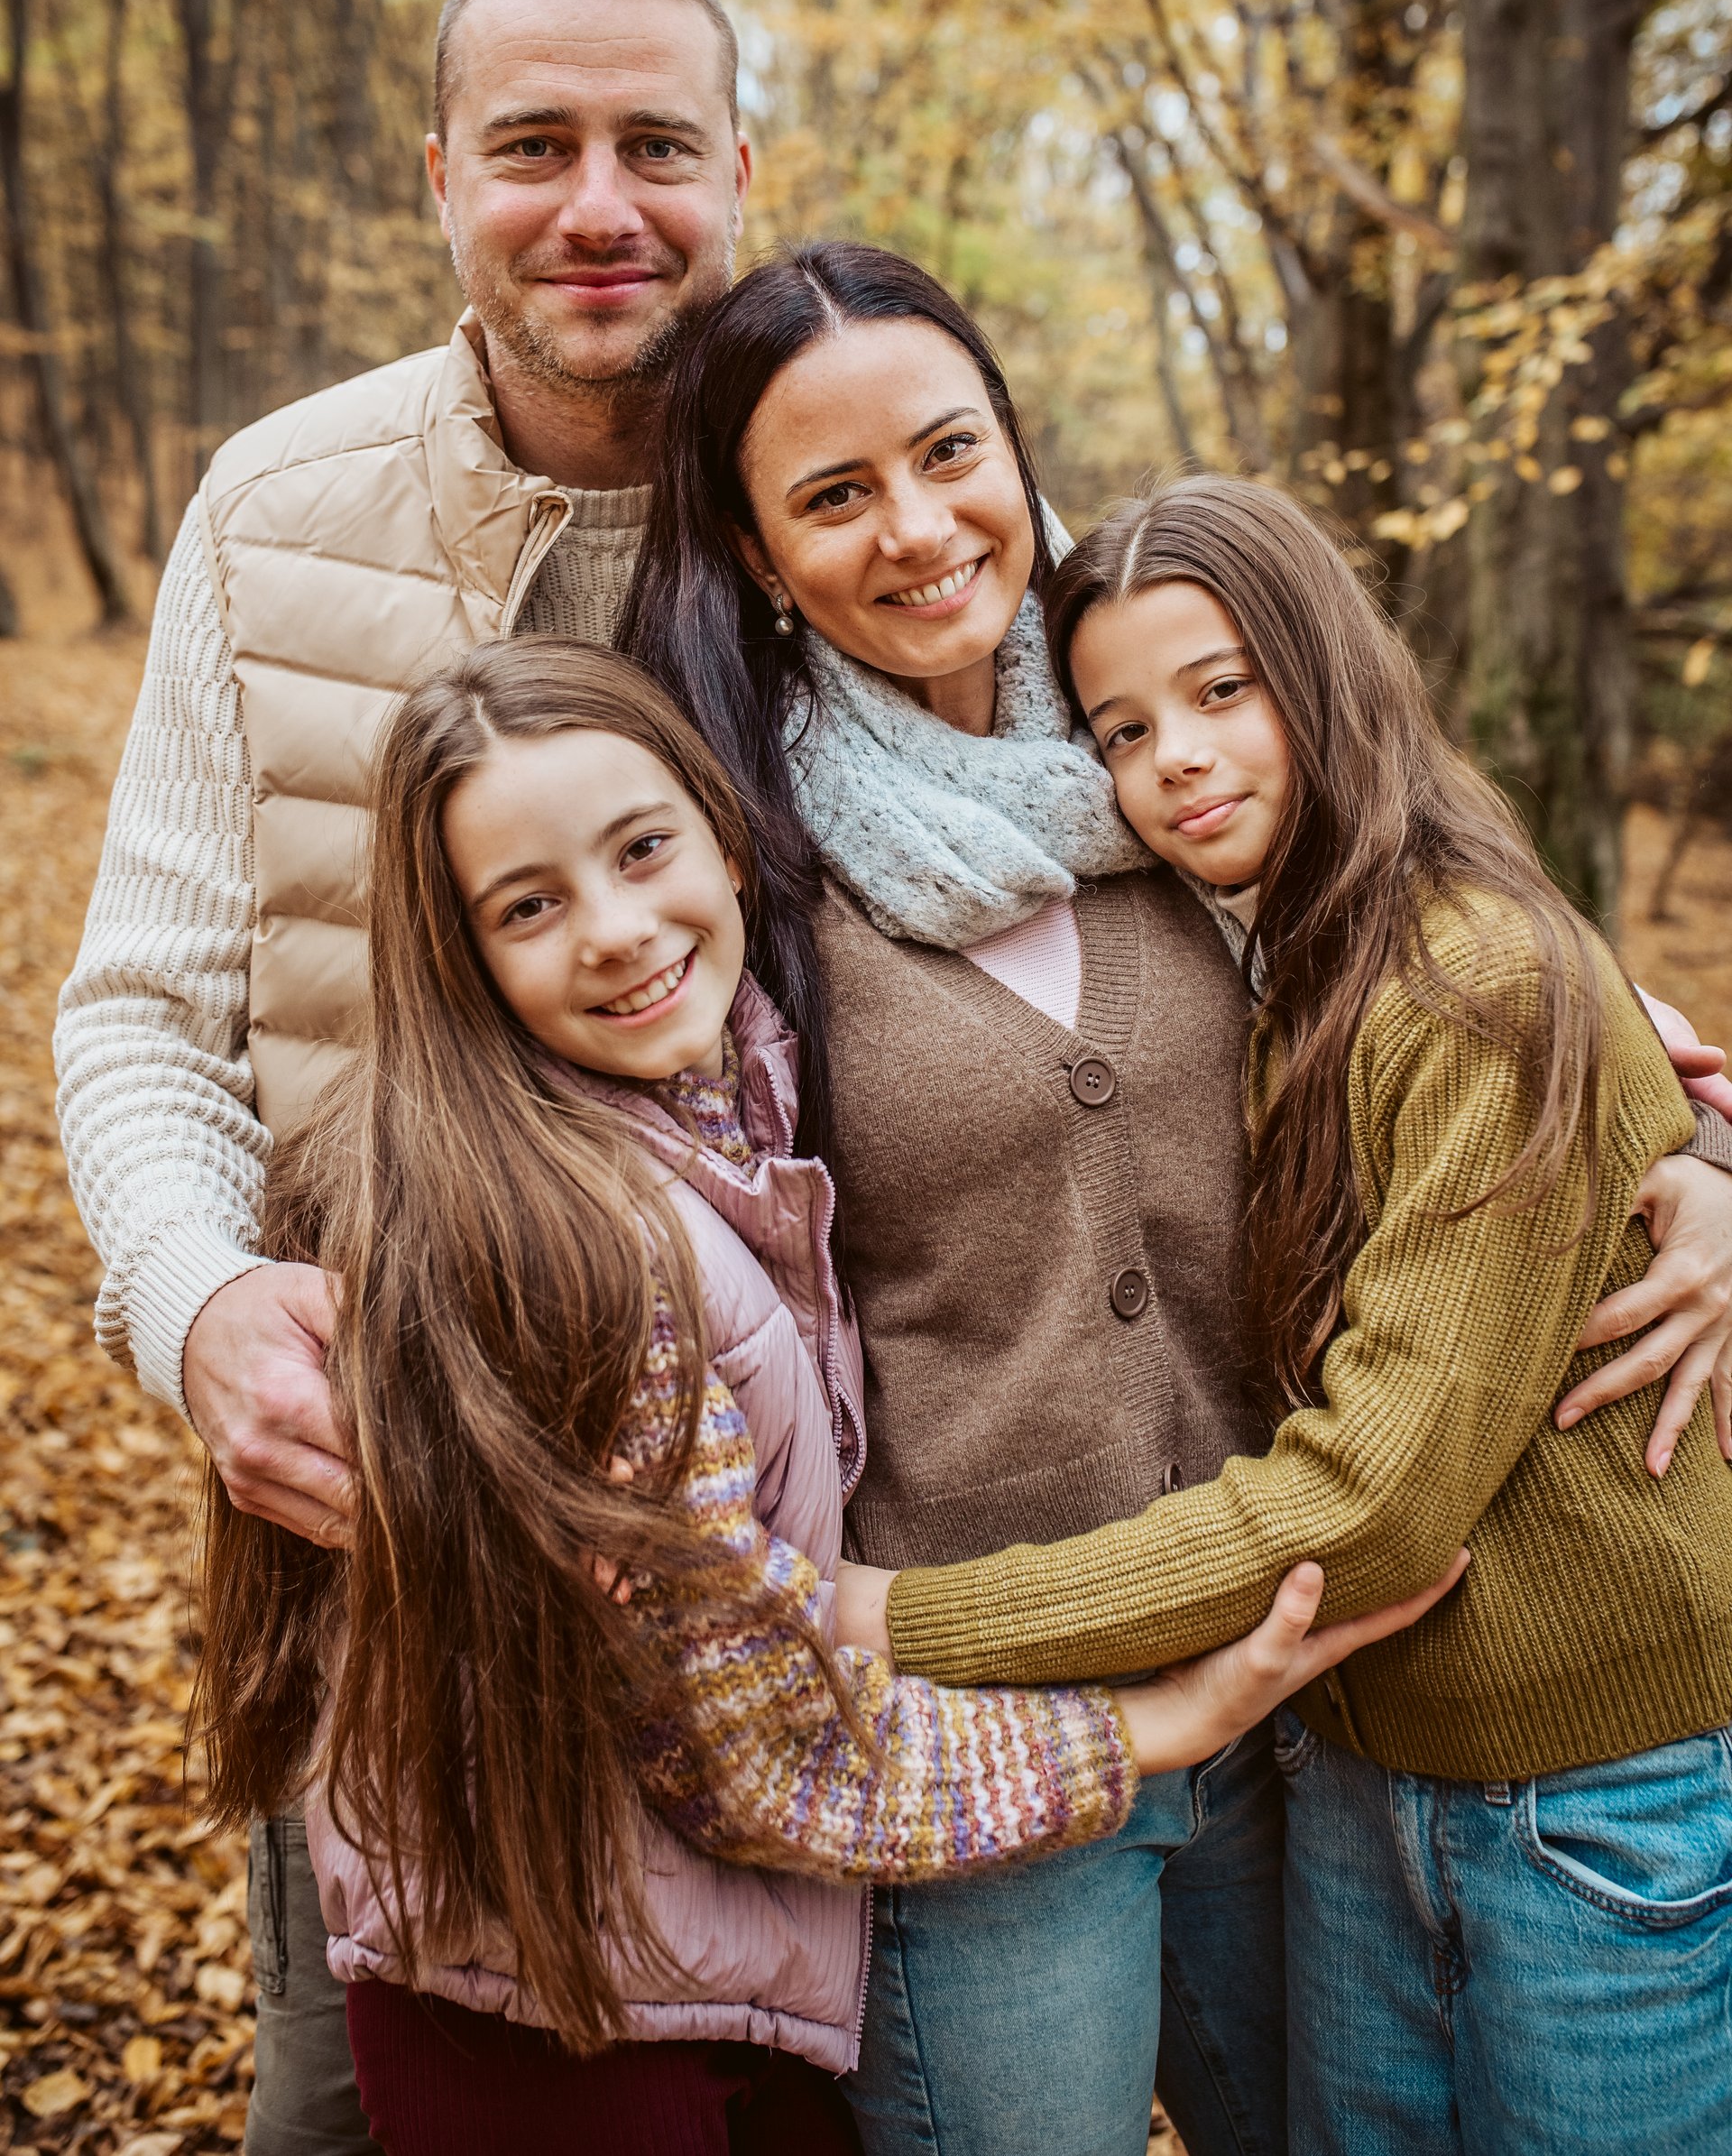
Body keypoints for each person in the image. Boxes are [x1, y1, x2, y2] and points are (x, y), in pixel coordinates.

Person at [618, 241, 1732, 2156]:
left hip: (1319, 1706)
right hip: (985, 1711)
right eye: (829, 494)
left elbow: (1490, 1002)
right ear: (749, 550)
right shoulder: (728, 851)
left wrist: (1701, 1163)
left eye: (947, 448)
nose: (914, 525)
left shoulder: (1168, 749)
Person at [191, 635, 1454, 2156]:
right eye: (528, 907)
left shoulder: (730, 1096)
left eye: (643, 849)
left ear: (729, 841)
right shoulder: (568, 1250)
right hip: (565, 2009)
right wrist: (1160, 1725)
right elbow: (763, 1753)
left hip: (697, 1946)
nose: (613, 930)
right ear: (460, 955)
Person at [53, 0, 753, 2154]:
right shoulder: (276, 508)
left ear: (743, 169)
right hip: (394, 1540)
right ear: (438, 174)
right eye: (533, 142)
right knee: (353, 2114)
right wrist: (201, 1298)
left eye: (659, 141)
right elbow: (146, 1010)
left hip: (802, 1541)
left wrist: (1617, 1055)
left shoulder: (861, 491)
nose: (599, 205)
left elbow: (1202, 813)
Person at [852, 476, 1732, 2155]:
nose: (1169, 756)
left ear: (1329, 671)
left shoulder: (1473, 982)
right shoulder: (1287, 972)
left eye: (1220, 690)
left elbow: (1373, 1508)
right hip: (1360, 1776)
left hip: (1593, 1808)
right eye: (1117, 727)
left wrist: (900, 1623)